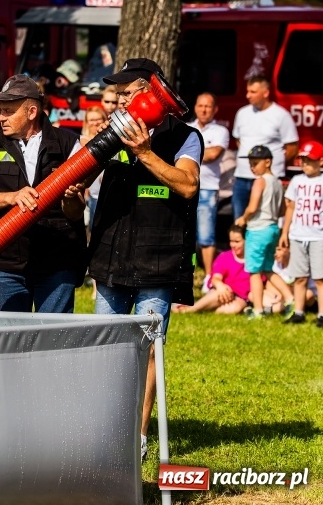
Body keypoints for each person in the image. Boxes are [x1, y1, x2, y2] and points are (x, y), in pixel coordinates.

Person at [88, 58, 203, 461]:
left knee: (147, 350)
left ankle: (135, 435)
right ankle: (103, 429)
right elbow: (80, 180)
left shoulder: (185, 136)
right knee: (104, 346)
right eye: (116, 95)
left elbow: (188, 185)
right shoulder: (113, 133)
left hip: (158, 259)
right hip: (112, 256)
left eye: (125, 93)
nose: (119, 100)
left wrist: (145, 152)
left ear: (149, 92)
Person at [0, 74, 87, 313]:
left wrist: (70, 198)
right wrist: (11, 197)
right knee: (7, 342)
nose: (0, 117)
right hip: (6, 263)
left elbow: (76, 213)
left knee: (54, 341)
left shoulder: (68, 143)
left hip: (57, 261)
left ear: (31, 112)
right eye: (0, 110)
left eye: (7, 111)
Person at [233, 145, 295, 320]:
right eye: (251, 164)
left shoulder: (260, 181)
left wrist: (243, 219)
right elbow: (283, 210)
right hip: (273, 229)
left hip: (258, 229)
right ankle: (290, 298)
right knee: (268, 269)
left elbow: (252, 207)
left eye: (256, 163)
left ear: (268, 162)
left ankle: (258, 310)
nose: (253, 167)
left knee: (254, 272)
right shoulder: (277, 182)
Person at [231, 76, 298, 219]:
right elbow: (238, 140)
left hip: (268, 178)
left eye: (253, 92)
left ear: (266, 93)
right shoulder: (242, 113)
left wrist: (274, 164)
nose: (247, 95)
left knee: (267, 219)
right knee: (239, 221)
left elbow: (292, 147)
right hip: (242, 177)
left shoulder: (281, 115)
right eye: (247, 91)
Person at [188, 92, 231, 292]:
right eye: (201, 105)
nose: (204, 109)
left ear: (215, 109)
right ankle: (186, 273)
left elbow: (214, 155)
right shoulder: (187, 128)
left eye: (208, 106)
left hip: (208, 189)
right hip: (186, 187)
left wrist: (188, 153)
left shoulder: (221, 131)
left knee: (206, 236)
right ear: (195, 107)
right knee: (185, 235)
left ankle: (208, 277)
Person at [280, 141, 323, 326]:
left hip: (318, 236)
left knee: (320, 278)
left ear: (321, 161)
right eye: (303, 160)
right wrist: (285, 232)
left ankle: (322, 314)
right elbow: (290, 207)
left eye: (309, 160)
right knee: (299, 277)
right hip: (298, 235)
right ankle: (299, 312)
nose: (305, 164)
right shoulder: (297, 181)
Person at [173, 225, 249, 314]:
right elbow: (216, 278)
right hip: (223, 291)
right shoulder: (225, 257)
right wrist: (220, 286)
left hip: (241, 297)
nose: (233, 245)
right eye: (231, 241)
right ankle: (191, 309)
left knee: (235, 308)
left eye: (237, 241)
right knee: (219, 293)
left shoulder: (253, 261)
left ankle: (204, 309)